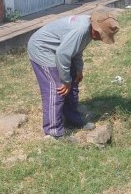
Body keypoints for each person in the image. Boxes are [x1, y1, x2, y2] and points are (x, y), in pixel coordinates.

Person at [27, 8, 120, 139]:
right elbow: (63, 54)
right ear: (95, 28)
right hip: (43, 49)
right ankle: (53, 132)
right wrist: (66, 81)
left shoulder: (90, 30)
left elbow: (76, 50)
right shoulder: (81, 29)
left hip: (59, 50)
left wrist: (78, 69)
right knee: (57, 89)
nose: (100, 39)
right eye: (100, 35)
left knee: (73, 82)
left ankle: (72, 119)